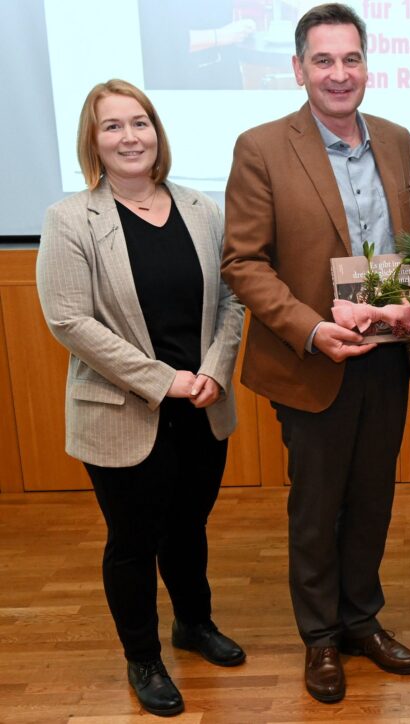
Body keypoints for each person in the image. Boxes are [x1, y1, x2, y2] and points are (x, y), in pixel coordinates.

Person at [220, 3, 410, 704]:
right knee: (317, 508)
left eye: (351, 59)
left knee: (372, 500)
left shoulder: (396, 140)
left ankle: (362, 619)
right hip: (312, 362)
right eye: (324, 60)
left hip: (388, 356)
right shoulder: (261, 146)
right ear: (300, 68)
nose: (340, 74)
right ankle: (321, 639)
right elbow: (243, 262)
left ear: (367, 64)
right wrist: (311, 327)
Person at [36, 79, 246, 717]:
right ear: (93, 141)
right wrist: (165, 379)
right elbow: (69, 320)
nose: (130, 137)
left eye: (140, 123)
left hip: (203, 403)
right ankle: (144, 658)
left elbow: (231, 301)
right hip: (124, 412)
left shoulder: (200, 208)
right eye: (113, 127)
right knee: (132, 539)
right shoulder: (70, 218)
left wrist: (211, 369)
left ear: (158, 132)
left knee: (188, 526)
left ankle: (193, 624)